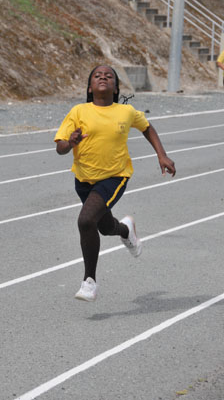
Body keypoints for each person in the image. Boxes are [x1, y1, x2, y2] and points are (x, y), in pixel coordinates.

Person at [54, 65, 176, 302]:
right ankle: (125, 230)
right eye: (97, 76)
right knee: (103, 227)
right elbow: (60, 148)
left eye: (108, 76)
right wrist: (70, 142)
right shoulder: (78, 111)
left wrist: (161, 154)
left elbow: (147, 127)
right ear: (90, 87)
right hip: (84, 180)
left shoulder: (126, 112)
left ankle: (89, 282)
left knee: (86, 220)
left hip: (115, 177)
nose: (103, 77)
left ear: (116, 87)